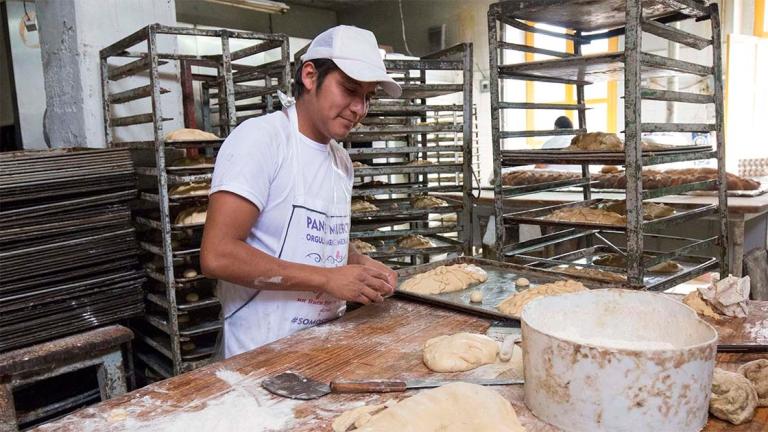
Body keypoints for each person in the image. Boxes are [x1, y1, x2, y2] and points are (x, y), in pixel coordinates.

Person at [201, 25, 401, 359]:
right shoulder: (261, 140)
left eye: (368, 97)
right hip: (259, 355)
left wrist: (358, 263)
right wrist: (326, 279)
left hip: (323, 347)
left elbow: (317, 235)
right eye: (349, 89)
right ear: (310, 75)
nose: (359, 109)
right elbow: (217, 255)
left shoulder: (341, 161)